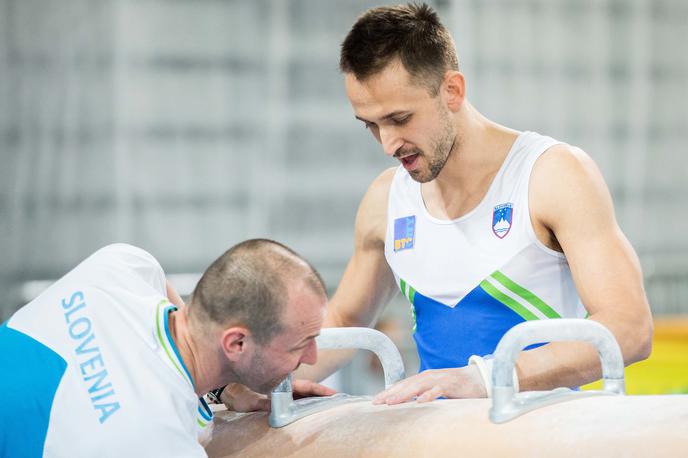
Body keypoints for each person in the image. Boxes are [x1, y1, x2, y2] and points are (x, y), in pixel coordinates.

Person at [0, 240, 333, 457]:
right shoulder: (159, 439)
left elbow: (177, 306)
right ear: (237, 343)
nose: (313, 357)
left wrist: (223, 388)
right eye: (300, 345)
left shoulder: (120, 265)